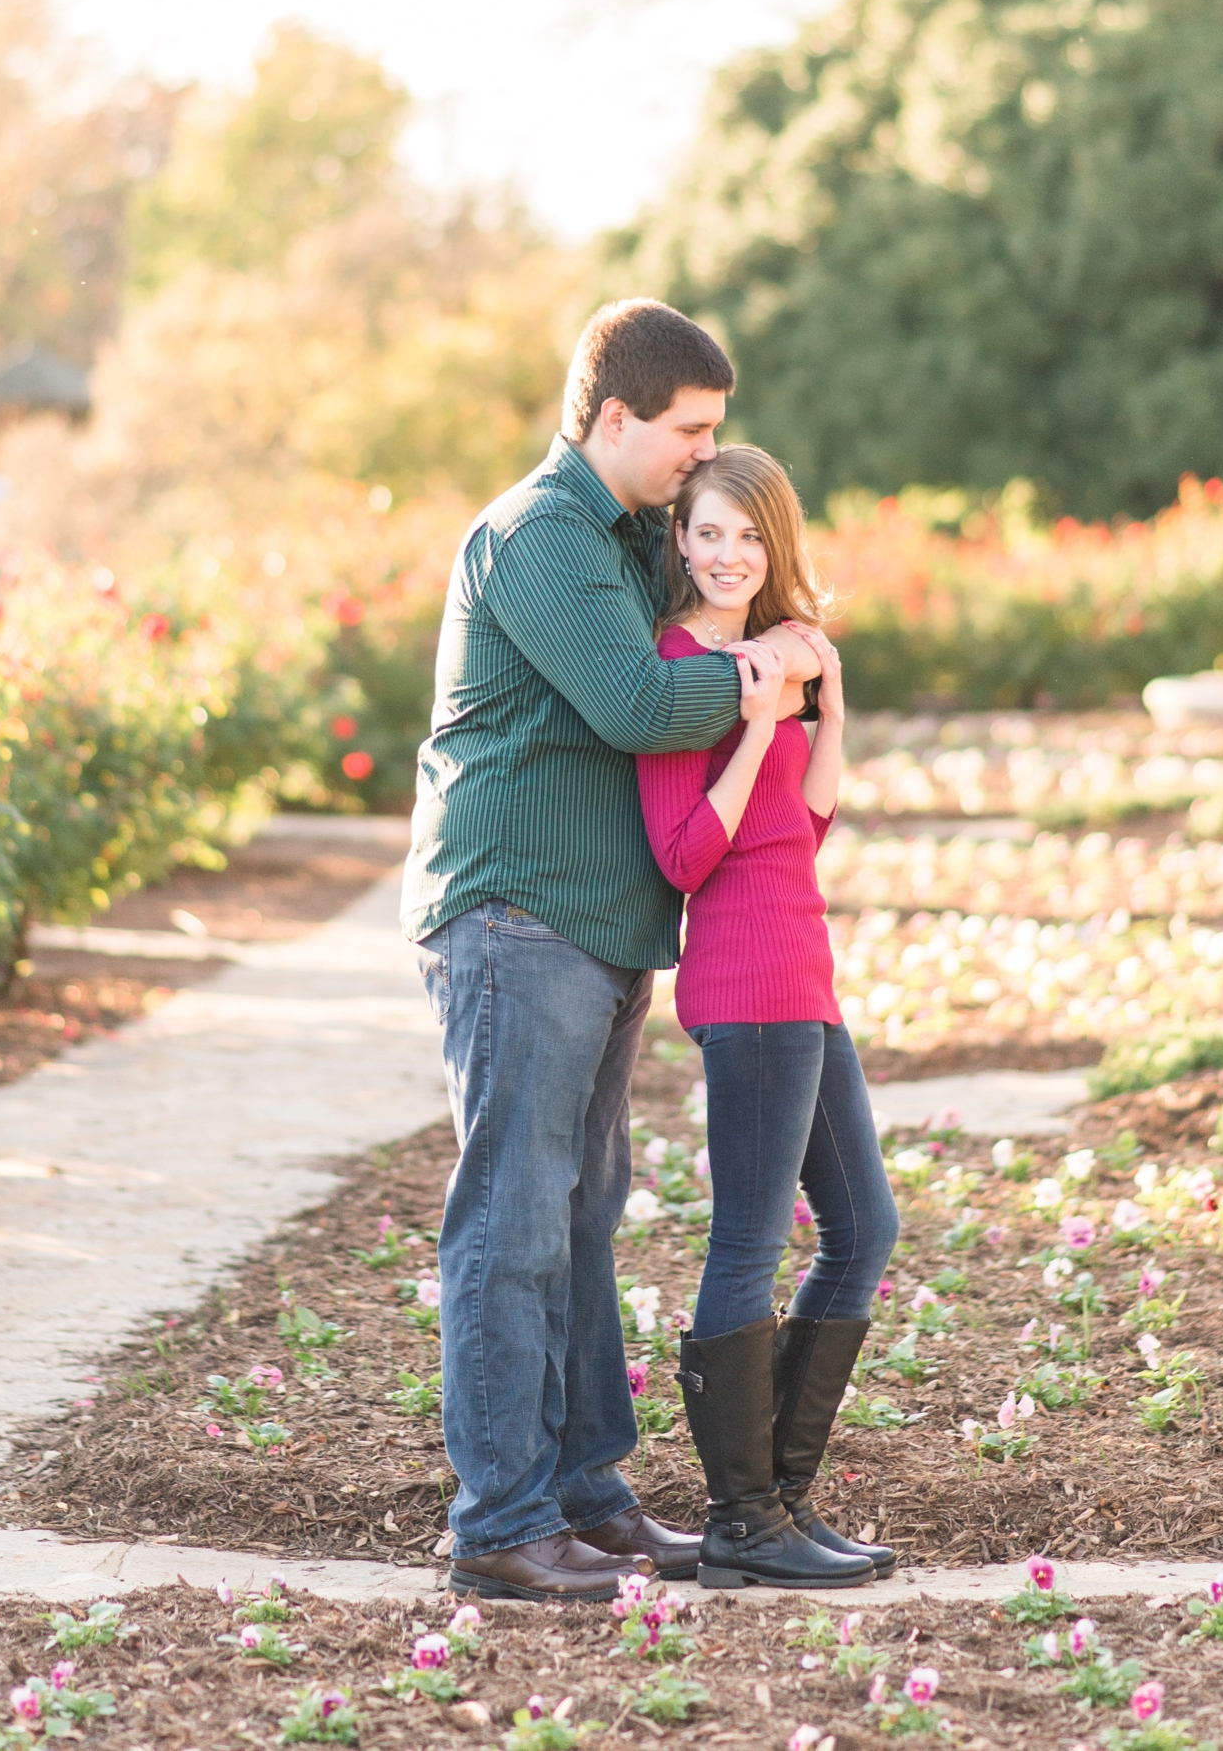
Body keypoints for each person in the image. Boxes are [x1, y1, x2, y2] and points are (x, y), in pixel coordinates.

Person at [403, 300, 821, 1604]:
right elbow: (645, 704)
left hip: (596, 929)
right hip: (515, 913)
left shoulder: (625, 536)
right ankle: (501, 1523)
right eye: (690, 431)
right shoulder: (537, 535)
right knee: (514, 1218)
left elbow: (694, 623)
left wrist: (760, 639)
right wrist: (768, 676)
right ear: (615, 417)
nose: (705, 455)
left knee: (583, 1219)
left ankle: (586, 1494)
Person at [636, 443, 899, 1590]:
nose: (727, 554)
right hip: (743, 991)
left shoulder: (776, 659)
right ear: (679, 542)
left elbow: (805, 830)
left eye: (748, 535)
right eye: (705, 532)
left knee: (865, 1231)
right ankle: (740, 1521)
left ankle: (781, 1500)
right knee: (747, 1244)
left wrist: (824, 708)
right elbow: (688, 857)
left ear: (773, 544)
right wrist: (755, 723)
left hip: (804, 980)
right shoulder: (679, 662)